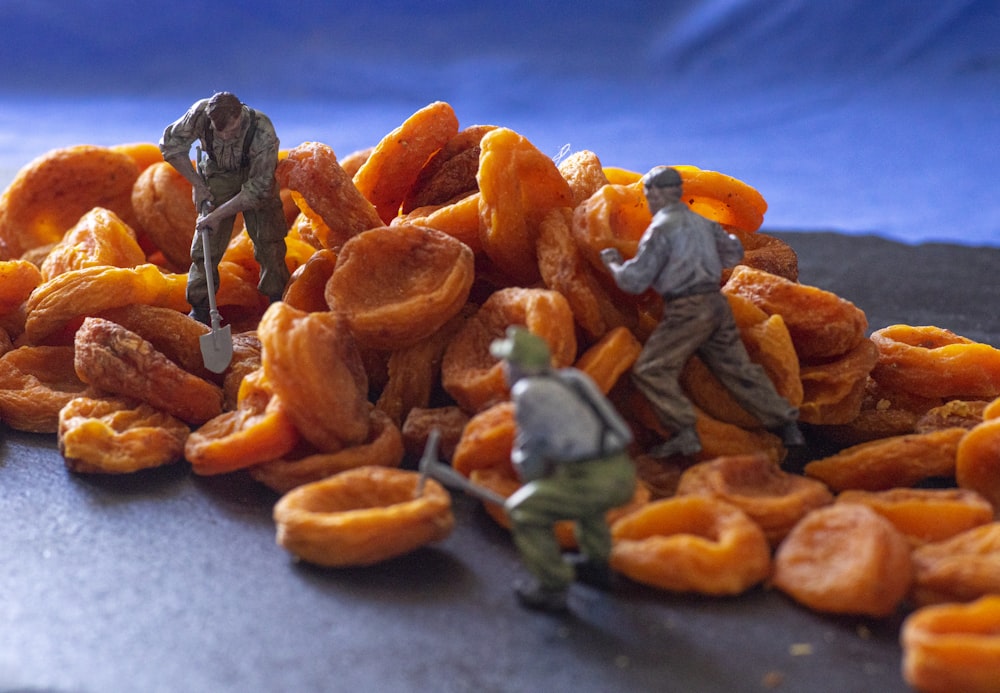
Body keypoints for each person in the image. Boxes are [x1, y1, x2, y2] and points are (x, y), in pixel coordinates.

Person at [601, 166, 804, 459]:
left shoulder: (659, 230)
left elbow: (633, 280)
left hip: (686, 309)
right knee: (737, 369)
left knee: (651, 370)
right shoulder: (703, 224)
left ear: (658, 194)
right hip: (716, 304)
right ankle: (787, 423)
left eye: (649, 194)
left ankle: (685, 432)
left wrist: (611, 263)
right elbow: (734, 254)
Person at [490, 326, 637, 612]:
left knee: (523, 511)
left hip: (591, 478)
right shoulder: (572, 380)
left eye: (509, 363)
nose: (506, 370)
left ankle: (552, 584)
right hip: (618, 470)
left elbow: (531, 447)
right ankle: (597, 567)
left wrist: (529, 478)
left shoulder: (527, 392)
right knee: (586, 505)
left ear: (520, 367)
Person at [160, 92, 289, 324]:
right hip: (217, 173)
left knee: (270, 240)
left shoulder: (262, 131)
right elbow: (170, 145)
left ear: (240, 114)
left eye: (232, 131)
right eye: (220, 133)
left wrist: (217, 215)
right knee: (205, 245)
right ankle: (200, 309)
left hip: (256, 175)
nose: (227, 137)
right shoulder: (199, 113)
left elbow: (258, 189)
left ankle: (276, 303)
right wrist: (198, 184)